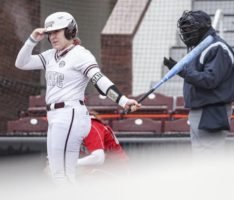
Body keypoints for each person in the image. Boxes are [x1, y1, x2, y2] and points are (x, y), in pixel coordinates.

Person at [15, 11, 140, 185]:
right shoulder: (51, 55)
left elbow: (99, 79)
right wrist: (32, 40)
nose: (52, 36)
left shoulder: (81, 54)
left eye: (57, 31)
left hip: (70, 112)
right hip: (54, 115)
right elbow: (21, 63)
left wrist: (123, 100)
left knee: (62, 172)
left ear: (70, 31)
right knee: (60, 172)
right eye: (50, 33)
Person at [164, 10, 234, 154]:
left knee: (209, 158)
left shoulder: (217, 47)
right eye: (184, 29)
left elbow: (210, 80)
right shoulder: (198, 48)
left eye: (190, 28)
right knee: (200, 157)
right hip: (199, 109)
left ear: (202, 28)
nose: (186, 33)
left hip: (212, 110)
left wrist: (181, 70)